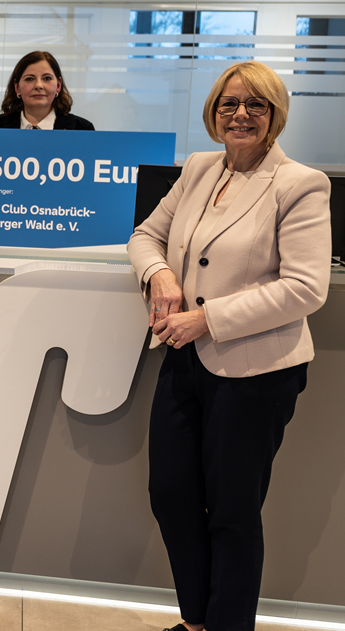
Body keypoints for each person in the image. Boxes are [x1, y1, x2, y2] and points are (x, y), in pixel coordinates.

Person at [127, 61, 330, 631]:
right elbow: (145, 236)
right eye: (229, 103)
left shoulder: (300, 184)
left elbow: (306, 288)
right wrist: (159, 275)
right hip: (183, 359)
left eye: (255, 104)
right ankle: (196, 622)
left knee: (233, 513)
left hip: (257, 372)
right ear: (213, 111)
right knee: (171, 495)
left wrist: (207, 319)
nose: (240, 114)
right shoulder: (199, 168)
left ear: (275, 114)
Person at [0, 51, 94, 130]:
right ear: (17, 87)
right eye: (29, 79)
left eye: (47, 78)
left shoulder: (82, 129)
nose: (38, 85)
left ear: (58, 85)